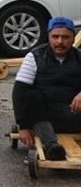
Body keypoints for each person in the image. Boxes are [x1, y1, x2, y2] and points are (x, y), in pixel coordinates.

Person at [13, 16, 81, 161]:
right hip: (44, 119)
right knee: (31, 95)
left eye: (65, 37)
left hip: (74, 115)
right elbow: (19, 92)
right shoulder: (34, 57)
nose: (60, 42)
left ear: (74, 38)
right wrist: (23, 127)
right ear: (48, 37)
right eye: (55, 36)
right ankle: (51, 146)